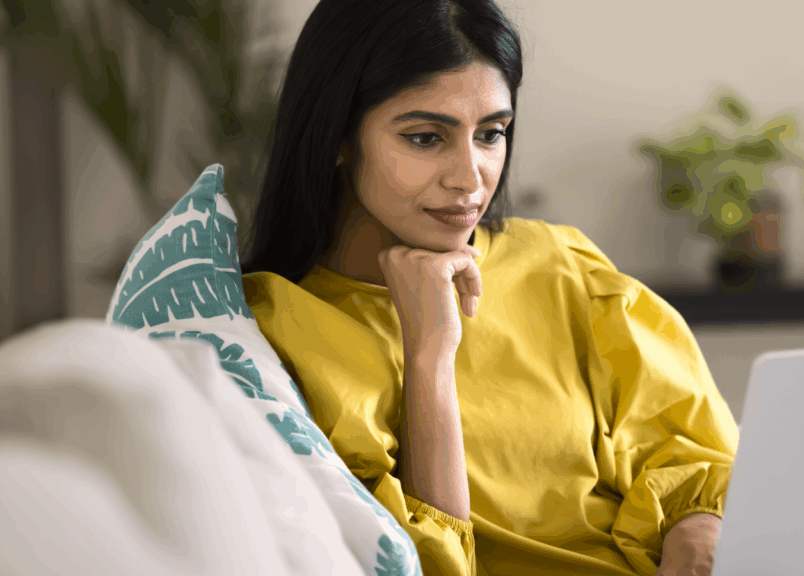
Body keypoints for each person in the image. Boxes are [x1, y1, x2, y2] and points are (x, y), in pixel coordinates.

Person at [240, 1, 739, 575]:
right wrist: (430, 356)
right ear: (339, 136)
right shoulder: (278, 328)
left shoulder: (559, 264)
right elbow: (425, 564)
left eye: (491, 133)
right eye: (426, 138)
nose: (470, 176)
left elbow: (693, 452)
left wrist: (700, 526)